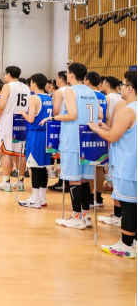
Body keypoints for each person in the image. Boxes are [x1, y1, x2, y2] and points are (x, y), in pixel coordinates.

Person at [88, 71, 137, 258]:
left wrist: (96, 129)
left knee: (129, 205)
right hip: (133, 163)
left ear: (130, 88)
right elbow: (123, 133)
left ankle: (126, 244)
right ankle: (133, 241)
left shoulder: (127, 110)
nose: (120, 88)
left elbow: (113, 137)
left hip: (127, 166)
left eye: (123, 85)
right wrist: (109, 129)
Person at [53, 63, 99, 229]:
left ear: (71, 74)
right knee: (84, 180)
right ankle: (86, 216)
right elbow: (100, 114)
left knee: (74, 179)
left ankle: (76, 217)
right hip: (88, 139)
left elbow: (72, 115)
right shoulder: (92, 92)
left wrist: (55, 118)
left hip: (73, 139)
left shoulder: (70, 91)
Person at [0, 66, 30, 192]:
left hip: (8, 123)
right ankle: (20, 182)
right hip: (21, 122)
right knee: (20, 154)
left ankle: (6, 182)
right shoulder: (26, 87)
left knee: (6, 153)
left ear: (8, 75)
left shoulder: (8, 86)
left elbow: (1, 106)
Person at [18, 73, 53, 208]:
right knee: (43, 167)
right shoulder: (48, 97)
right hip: (47, 134)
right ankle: (42, 198)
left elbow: (31, 119)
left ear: (34, 83)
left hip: (36, 134)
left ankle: (35, 199)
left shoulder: (34, 98)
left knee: (35, 167)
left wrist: (23, 113)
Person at [86, 71, 109, 206]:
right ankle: (98, 197)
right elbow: (107, 115)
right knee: (100, 166)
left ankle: (90, 196)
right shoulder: (103, 96)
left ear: (87, 81)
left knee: (89, 165)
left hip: (90, 131)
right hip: (102, 130)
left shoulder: (87, 94)